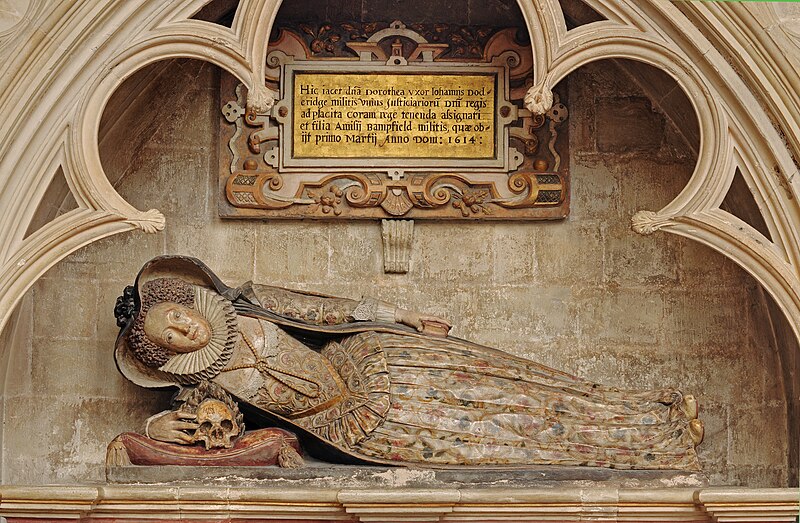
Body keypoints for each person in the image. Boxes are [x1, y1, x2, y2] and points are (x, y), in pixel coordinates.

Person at [115, 255, 703, 469]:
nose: (184, 329)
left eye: (177, 317)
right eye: (171, 337)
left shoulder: (247, 307)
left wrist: (403, 318)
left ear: (191, 305)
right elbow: (200, 435)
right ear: (169, 357)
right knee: (500, 440)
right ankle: (648, 446)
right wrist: (154, 426)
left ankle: (650, 413)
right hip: (363, 428)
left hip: (378, 362)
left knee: (511, 386)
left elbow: (333, 314)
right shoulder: (207, 386)